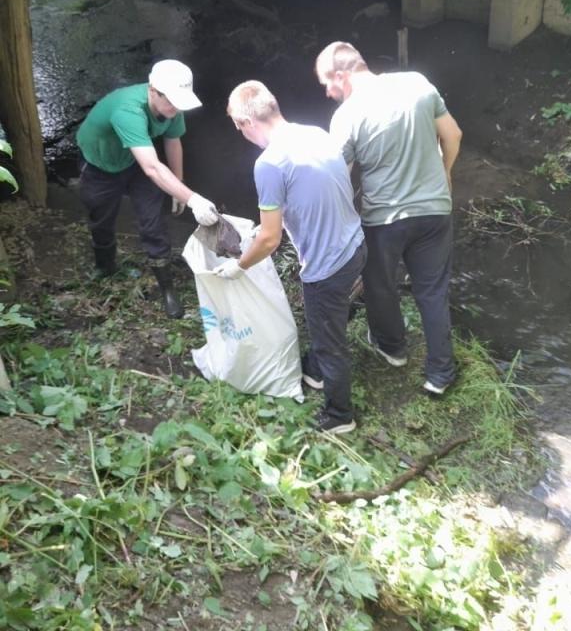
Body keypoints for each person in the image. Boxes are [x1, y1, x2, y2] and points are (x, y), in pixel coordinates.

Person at [214, 80, 365, 435]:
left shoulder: (269, 164)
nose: (242, 135)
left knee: (330, 341)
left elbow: (270, 238)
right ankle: (313, 371)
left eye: (239, 128)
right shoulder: (314, 133)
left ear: (246, 122)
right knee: (329, 319)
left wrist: (239, 266)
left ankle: (340, 414)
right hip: (356, 243)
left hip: (326, 266)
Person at [314, 42, 462, 396]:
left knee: (381, 287)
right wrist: (445, 174)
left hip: (384, 220)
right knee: (433, 291)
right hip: (435, 212)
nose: (328, 92)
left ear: (341, 73)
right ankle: (441, 373)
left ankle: (392, 347)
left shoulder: (347, 115)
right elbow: (453, 135)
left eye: (326, 83)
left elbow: (338, 177)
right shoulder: (417, 84)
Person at [76, 59, 219, 318]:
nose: (175, 108)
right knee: (102, 219)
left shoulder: (172, 105)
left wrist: (179, 182)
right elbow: (153, 168)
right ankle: (105, 268)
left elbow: (173, 141)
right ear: (153, 90)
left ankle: (167, 288)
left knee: (152, 221)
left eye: (179, 102)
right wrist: (193, 199)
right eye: (171, 101)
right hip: (100, 164)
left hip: (134, 160)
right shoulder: (128, 111)